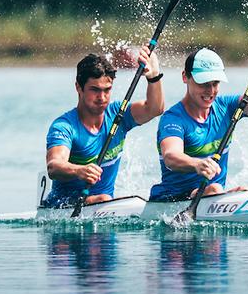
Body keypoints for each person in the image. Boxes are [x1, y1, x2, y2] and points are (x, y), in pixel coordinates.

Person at [149, 31, 248, 202]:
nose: (210, 91)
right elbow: (171, 157)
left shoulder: (227, 108)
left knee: (245, 191)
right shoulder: (173, 119)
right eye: (203, 84)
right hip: (173, 199)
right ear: (185, 77)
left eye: (215, 83)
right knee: (215, 188)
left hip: (211, 195)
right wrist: (197, 164)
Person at [43, 46, 164, 207]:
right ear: (78, 87)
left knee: (107, 199)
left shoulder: (118, 115)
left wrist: (153, 77)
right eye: (95, 90)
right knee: (104, 199)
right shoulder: (64, 127)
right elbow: (54, 166)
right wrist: (80, 170)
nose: (102, 97)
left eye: (107, 90)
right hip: (65, 205)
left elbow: (154, 109)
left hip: (103, 205)